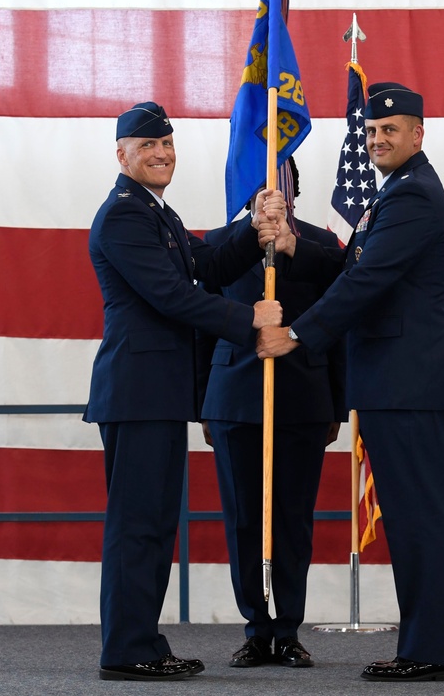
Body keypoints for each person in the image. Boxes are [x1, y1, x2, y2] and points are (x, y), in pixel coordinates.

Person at [257, 82, 444, 682]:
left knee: (419, 517)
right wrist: (295, 245)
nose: (377, 139)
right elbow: (355, 265)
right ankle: (427, 644)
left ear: (418, 134)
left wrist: (295, 336)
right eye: (371, 132)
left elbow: (365, 283)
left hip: (409, 385)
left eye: (390, 130)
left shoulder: (414, 198)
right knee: (409, 517)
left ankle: (432, 650)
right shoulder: (395, 194)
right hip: (392, 384)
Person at [83, 101, 284, 681]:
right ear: (121, 155)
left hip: (158, 392)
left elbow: (206, 264)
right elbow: (173, 296)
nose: (161, 154)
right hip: (138, 391)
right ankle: (127, 650)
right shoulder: (124, 215)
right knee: (137, 524)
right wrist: (251, 319)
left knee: (153, 524)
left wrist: (253, 231)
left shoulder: (156, 214)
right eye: (147, 146)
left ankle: (141, 640)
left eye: (167, 144)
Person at [200, 157, 346, 669]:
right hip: (234, 400)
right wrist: (204, 405)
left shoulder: (324, 246)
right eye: (259, 187)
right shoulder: (217, 245)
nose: (268, 196)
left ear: (294, 191)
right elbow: (201, 326)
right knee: (244, 518)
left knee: (292, 518)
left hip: (305, 398)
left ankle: (288, 630)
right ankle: (256, 630)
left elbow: (342, 321)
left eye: (278, 186)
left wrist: (338, 403)